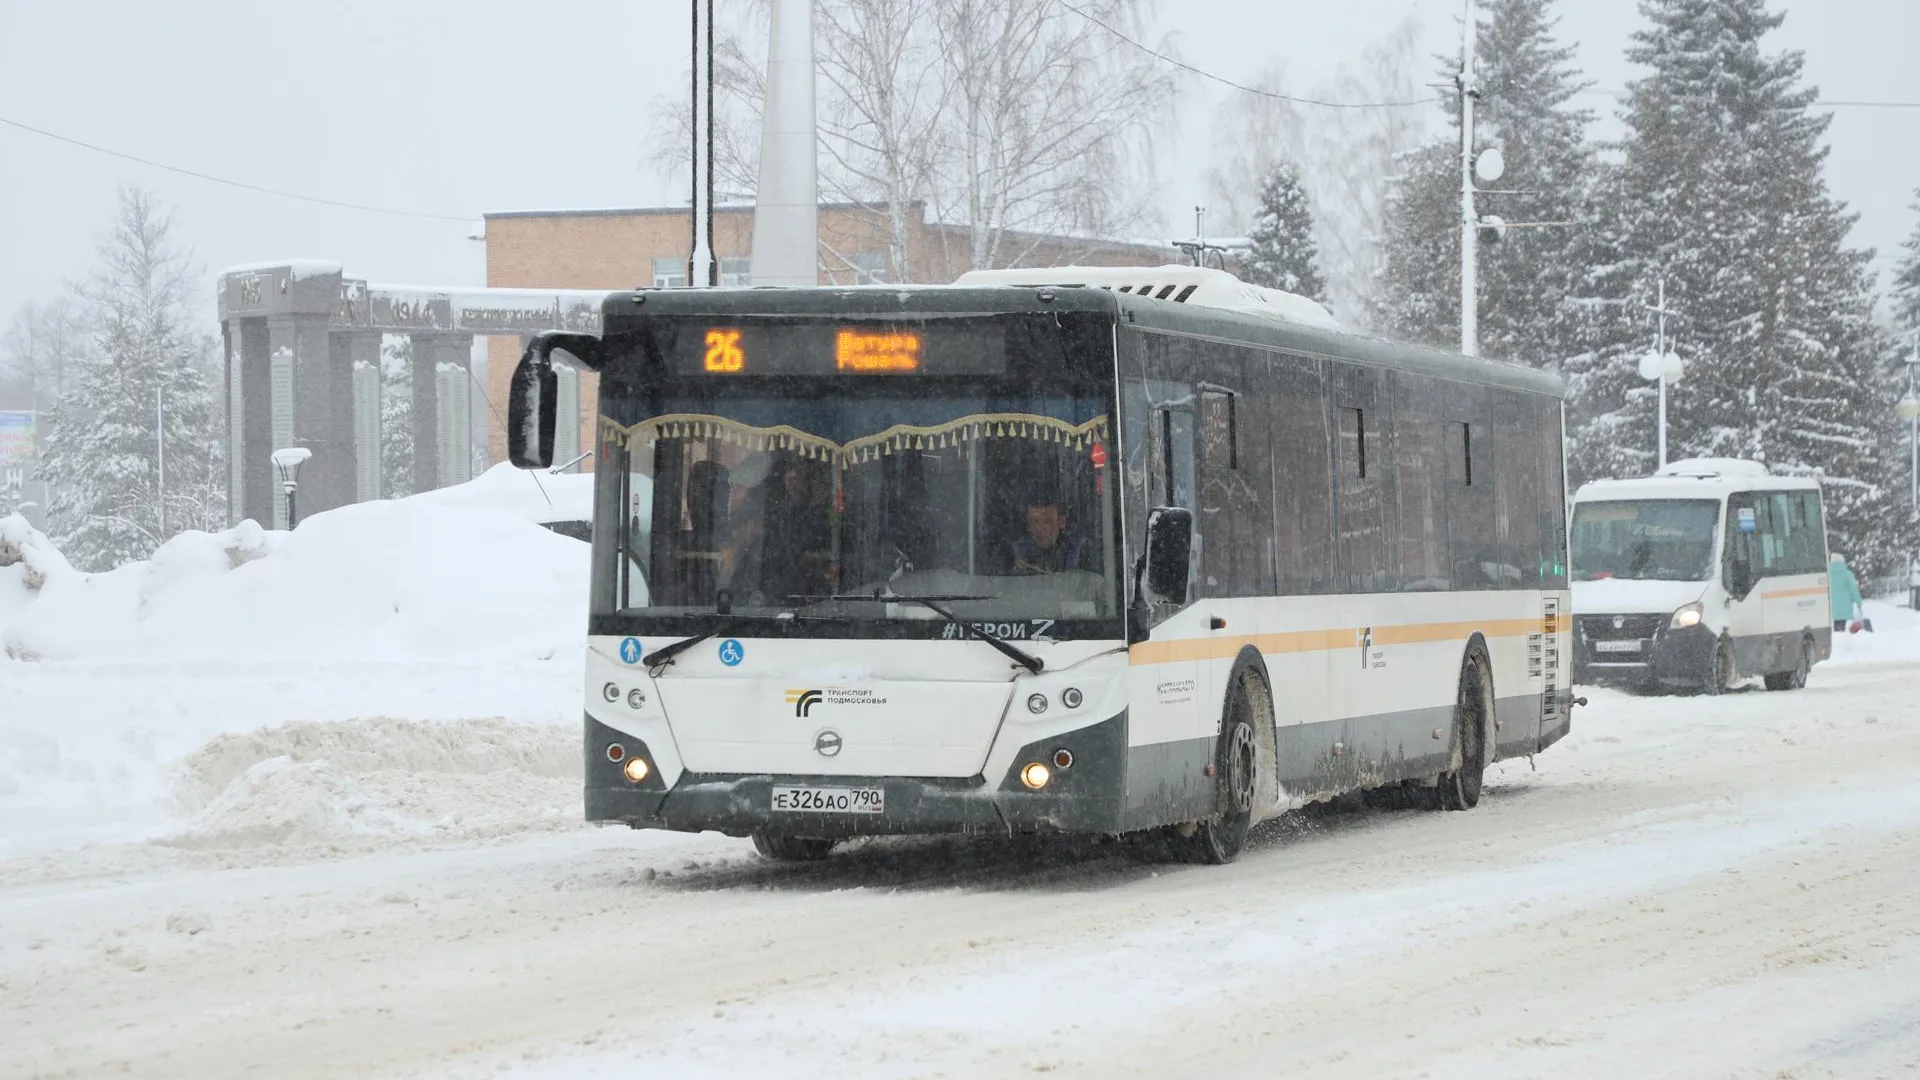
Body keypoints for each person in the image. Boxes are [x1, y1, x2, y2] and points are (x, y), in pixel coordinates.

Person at [1007, 496, 1087, 574]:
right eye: (1033, 522)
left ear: (1062, 522)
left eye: (1046, 521)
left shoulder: (1081, 551)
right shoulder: (1016, 551)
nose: (1038, 529)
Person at [1829, 551, 1865, 633]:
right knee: (1843, 629)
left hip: (1833, 607)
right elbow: (1853, 590)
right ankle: (1844, 642)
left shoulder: (1828, 575)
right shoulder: (1847, 574)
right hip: (1845, 606)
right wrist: (1858, 601)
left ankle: (1839, 641)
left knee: (1837, 628)